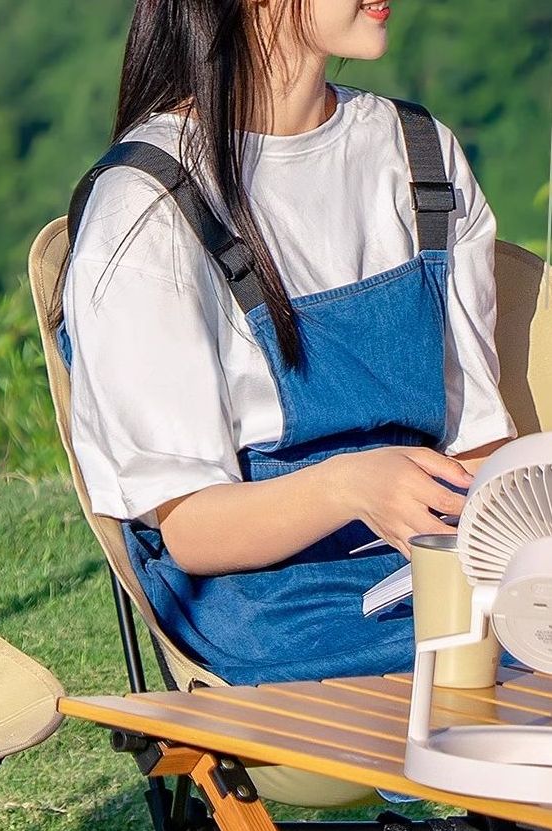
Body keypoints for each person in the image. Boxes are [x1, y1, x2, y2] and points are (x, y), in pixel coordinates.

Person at [59, 0, 518, 685]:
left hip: (444, 573)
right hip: (275, 615)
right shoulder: (146, 204)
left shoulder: (418, 152)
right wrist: (352, 487)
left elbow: (476, 439)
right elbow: (188, 529)